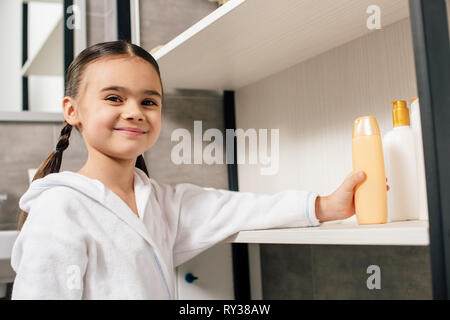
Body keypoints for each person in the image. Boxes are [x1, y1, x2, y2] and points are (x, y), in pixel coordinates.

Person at [11, 40, 372, 299]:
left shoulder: (160, 201)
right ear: (72, 110)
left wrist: (324, 207)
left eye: (149, 101)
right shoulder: (59, 209)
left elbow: (238, 208)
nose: (135, 111)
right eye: (114, 98)